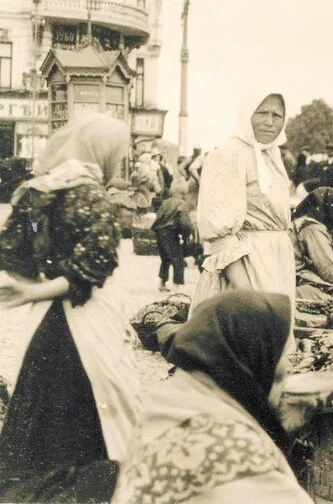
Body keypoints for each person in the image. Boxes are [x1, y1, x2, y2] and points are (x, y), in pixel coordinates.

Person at [0, 113, 140, 502]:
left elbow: (13, 256)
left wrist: (33, 289)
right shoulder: (90, 194)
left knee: (40, 410)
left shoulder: (36, 191)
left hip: (44, 323)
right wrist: (38, 293)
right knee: (93, 407)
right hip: (86, 321)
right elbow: (92, 267)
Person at [112, 290, 313, 503]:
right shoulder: (235, 452)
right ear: (251, 362)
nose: (288, 369)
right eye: (281, 363)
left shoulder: (164, 403)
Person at [194, 92, 295, 310]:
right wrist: (246, 291)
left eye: (277, 115)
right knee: (248, 331)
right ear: (246, 114)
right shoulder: (230, 154)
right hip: (247, 267)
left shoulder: (272, 156)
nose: (270, 122)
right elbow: (219, 234)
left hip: (276, 265)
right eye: (262, 113)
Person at [153, 179, 191, 292]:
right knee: (178, 259)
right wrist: (186, 235)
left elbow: (158, 217)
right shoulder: (182, 204)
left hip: (159, 233)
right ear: (183, 193)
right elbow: (184, 223)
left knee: (165, 259)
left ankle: (162, 282)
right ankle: (176, 285)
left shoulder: (165, 202)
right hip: (170, 233)